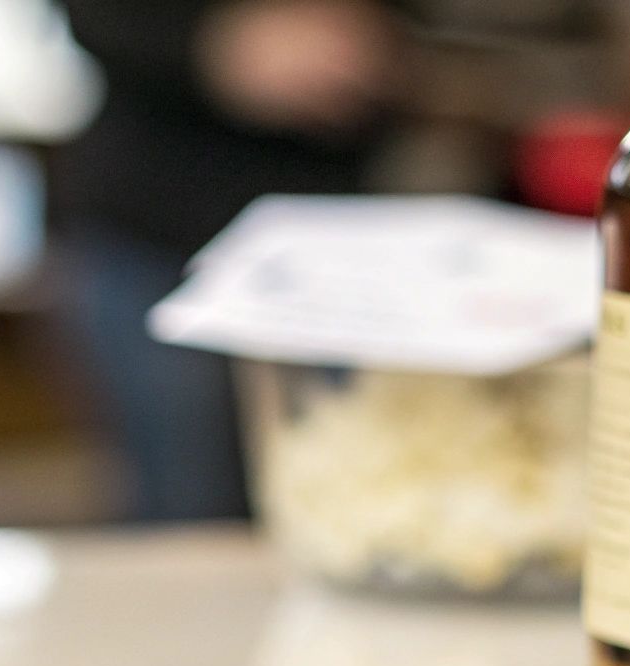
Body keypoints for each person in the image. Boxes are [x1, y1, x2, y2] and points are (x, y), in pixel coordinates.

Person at [53, 0, 403, 522]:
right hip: (160, 227)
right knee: (189, 519)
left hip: (334, 242)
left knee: (346, 510)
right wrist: (214, 43)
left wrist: (384, 45)